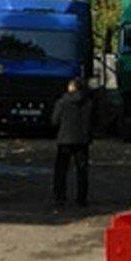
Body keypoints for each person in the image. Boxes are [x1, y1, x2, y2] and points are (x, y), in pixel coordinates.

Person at [51, 77, 95, 207]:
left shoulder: (62, 102)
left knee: (61, 170)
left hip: (65, 139)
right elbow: (93, 121)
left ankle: (60, 196)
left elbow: (55, 120)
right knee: (82, 170)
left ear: (72, 87)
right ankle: (81, 198)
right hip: (82, 140)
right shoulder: (88, 103)